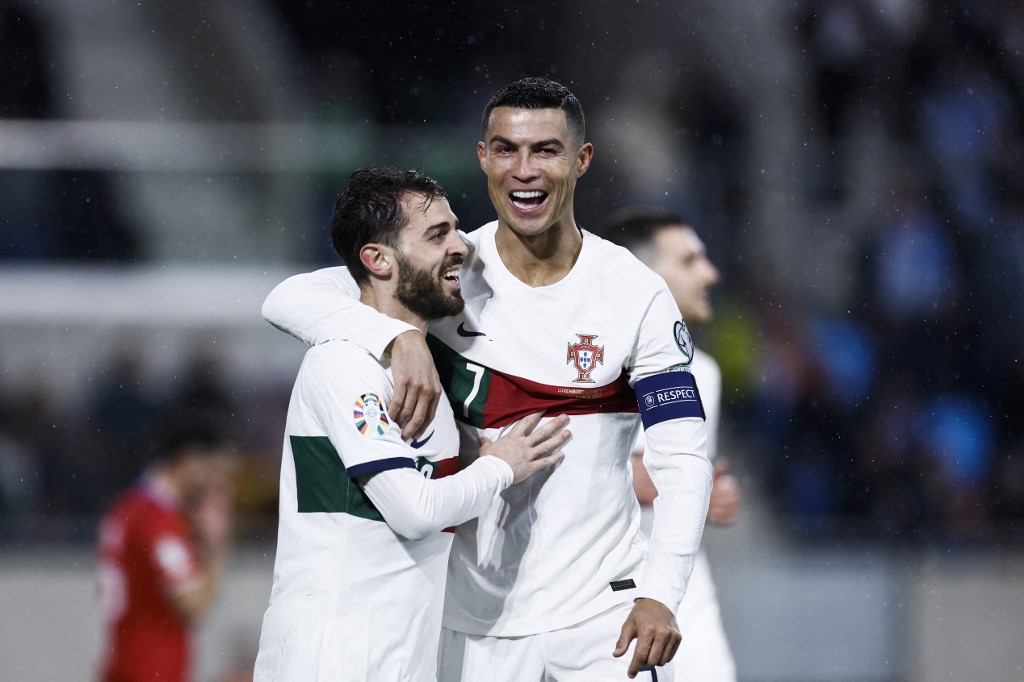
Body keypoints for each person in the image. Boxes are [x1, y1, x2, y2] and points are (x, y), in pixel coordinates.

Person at [262, 78, 713, 681]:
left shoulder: (635, 294)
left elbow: (683, 455)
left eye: (545, 150)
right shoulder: (446, 274)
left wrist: (663, 591)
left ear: (581, 161)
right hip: (471, 629)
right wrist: (395, 338)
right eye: (505, 148)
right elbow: (289, 297)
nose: (523, 169)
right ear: (483, 158)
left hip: (603, 617)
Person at [253, 166, 569, 681]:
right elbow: (413, 512)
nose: (460, 248)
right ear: (377, 259)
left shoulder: (429, 362)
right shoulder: (343, 363)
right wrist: (498, 467)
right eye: (436, 234)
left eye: (456, 229)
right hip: (331, 660)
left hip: (397, 659)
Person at [605, 208, 741, 681]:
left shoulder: (703, 370)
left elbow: (668, 484)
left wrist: (707, 495)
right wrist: (692, 489)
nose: (710, 272)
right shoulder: (591, 362)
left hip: (685, 586)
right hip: (609, 589)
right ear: (645, 276)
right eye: (689, 261)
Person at [96, 417, 234, 682]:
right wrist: (216, 546)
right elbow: (192, 604)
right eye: (213, 472)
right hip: (150, 669)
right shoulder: (157, 521)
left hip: (126, 661)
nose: (215, 484)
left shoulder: (129, 507)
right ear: (190, 461)